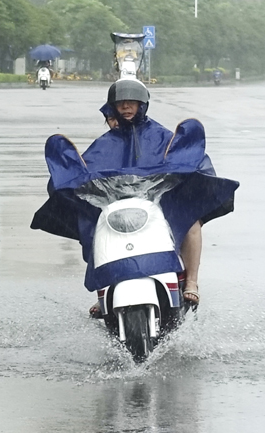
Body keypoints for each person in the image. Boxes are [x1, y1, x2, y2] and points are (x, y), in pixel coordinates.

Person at [84, 79, 204, 314]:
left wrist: (182, 177)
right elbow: (87, 167)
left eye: (132, 103)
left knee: (192, 222)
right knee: (91, 225)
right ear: (113, 107)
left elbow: (185, 157)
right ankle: (105, 288)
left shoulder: (161, 136)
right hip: (118, 204)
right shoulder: (105, 143)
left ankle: (191, 280)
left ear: (142, 105)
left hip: (160, 201)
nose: (127, 107)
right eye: (121, 103)